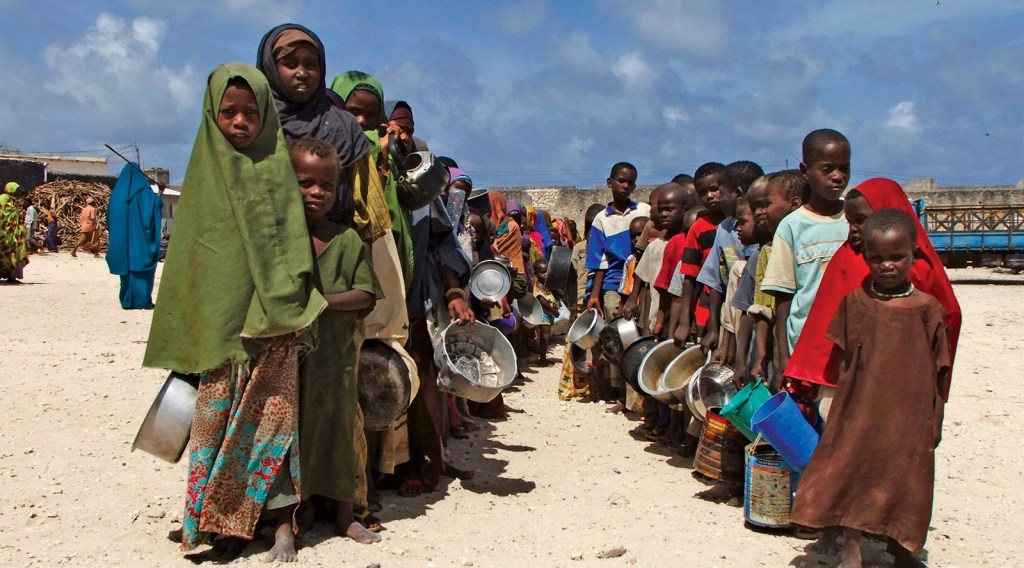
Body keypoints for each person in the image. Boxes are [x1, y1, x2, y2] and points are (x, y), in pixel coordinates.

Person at [143, 63, 327, 562]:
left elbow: (292, 251)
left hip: (274, 332)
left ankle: (281, 526)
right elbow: (193, 265)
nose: (240, 122)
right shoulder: (204, 181)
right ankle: (218, 525)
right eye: (229, 112)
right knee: (216, 429)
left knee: (273, 431)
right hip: (221, 336)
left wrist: (283, 308)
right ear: (212, 113)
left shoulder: (278, 174)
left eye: (251, 112)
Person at [790, 208, 950, 568]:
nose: (887, 266)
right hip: (862, 406)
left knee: (908, 477)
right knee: (856, 470)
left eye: (897, 257)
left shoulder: (927, 310)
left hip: (909, 412)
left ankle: (902, 547)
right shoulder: (855, 303)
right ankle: (852, 547)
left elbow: (940, 371)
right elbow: (842, 360)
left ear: (914, 255)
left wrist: (935, 418)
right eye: (877, 258)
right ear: (865, 257)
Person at [785, 177, 961, 404]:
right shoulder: (846, 258)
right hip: (845, 380)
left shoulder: (919, 266)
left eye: (862, 220)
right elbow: (826, 325)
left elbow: (948, 315)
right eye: (849, 222)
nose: (854, 230)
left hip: (903, 378)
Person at [289, 137, 382, 545]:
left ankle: (345, 513)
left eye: (327, 186)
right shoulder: (284, 240)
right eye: (305, 183)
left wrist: (322, 303)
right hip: (293, 360)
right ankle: (302, 506)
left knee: (341, 432)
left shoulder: (347, 240)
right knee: (298, 433)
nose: (316, 193)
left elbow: (367, 294)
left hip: (338, 358)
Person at [761, 129, 851, 394]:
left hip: (851, 344)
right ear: (805, 171)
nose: (838, 176)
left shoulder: (855, 220)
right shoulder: (792, 226)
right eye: (828, 169)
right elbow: (783, 297)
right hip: (806, 345)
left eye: (845, 168)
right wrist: (783, 358)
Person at [256, 24, 371, 226]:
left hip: (333, 242)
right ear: (270, 67)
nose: (302, 73)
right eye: (290, 64)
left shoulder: (345, 127)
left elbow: (369, 216)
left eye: (311, 65)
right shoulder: (253, 123)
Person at [585, 162, 651, 406]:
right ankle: (620, 390)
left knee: (639, 331)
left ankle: (639, 390)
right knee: (617, 330)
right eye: (621, 181)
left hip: (642, 277)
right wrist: (595, 294)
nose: (626, 186)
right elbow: (600, 261)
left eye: (630, 182)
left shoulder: (643, 210)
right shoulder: (601, 219)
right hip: (613, 280)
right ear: (610, 183)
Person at [694, 161, 764, 355]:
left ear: (739, 193)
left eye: (721, 192)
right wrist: (714, 328)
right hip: (730, 314)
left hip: (754, 314)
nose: (717, 197)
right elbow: (715, 281)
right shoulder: (724, 228)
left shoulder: (757, 229)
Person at [670, 162, 726, 346]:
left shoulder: (740, 225)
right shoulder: (698, 229)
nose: (709, 196)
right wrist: (684, 322)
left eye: (714, 189)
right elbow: (690, 277)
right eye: (702, 192)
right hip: (706, 313)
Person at [105, 163, 163, 310]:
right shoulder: (144, 193)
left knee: (126, 272)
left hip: (122, 244)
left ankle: (127, 301)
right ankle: (142, 301)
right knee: (142, 272)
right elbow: (153, 208)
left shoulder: (116, 196)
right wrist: (160, 192)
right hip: (140, 243)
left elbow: (110, 220)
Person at [0, 182, 28, 283]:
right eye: (16, 192)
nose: (18, 194)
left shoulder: (13, 202)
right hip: (4, 233)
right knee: (5, 255)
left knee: (12, 255)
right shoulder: (3, 199)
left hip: (12, 233)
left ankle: (11, 277)